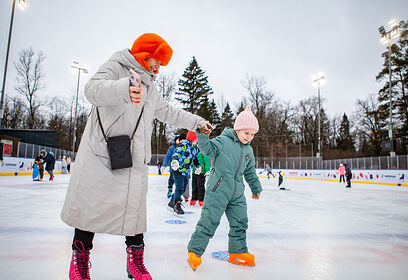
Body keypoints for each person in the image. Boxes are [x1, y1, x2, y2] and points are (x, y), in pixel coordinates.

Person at [60, 33, 212, 280]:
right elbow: (92, 89)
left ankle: (135, 263)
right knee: (91, 208)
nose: (158, 68)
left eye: (161, 65)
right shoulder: (116, 66)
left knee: (134, 212)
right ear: (145, 53)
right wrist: (124, 89)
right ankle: (79, 260)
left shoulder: (150, 87)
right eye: (157, 61)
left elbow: (168, 112)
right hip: (102, 155)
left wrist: (196, 121)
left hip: (133, 158)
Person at [187, 106, 262, 271]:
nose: (249, 137)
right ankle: (194, 251)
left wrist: (255, 188)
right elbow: (207, 150)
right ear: (238, 129)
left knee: (240, 222)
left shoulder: (248, 150)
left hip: (237, 193)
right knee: (209, 221)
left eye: (252, 134)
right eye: (246, 133)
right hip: (218, 190)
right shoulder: (223, 141)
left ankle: (237, 252)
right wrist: (203, 135)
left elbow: (250, 172)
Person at [168, 131, 199, 215]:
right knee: (179, 187)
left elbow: (195, 158)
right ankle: (177, 205)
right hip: (178, 170)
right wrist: (175, 161)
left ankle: (172, 202)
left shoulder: (194, 148)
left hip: (186, 172)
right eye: (196, 139)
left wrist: (198, 166)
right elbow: (176, 154)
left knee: (183, 188)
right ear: (192, 139)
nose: (197, 140)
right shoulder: (183, 145)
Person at [162, 133, 186, 198]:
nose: (179, 141)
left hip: (182, 168)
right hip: (173, 167)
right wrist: (164, 165)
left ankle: (178, 195)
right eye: (177, 140)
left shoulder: (185, 147)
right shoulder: (172, 148)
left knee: (181, 182)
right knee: (172, 179)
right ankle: (170, 189)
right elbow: (167, 156)